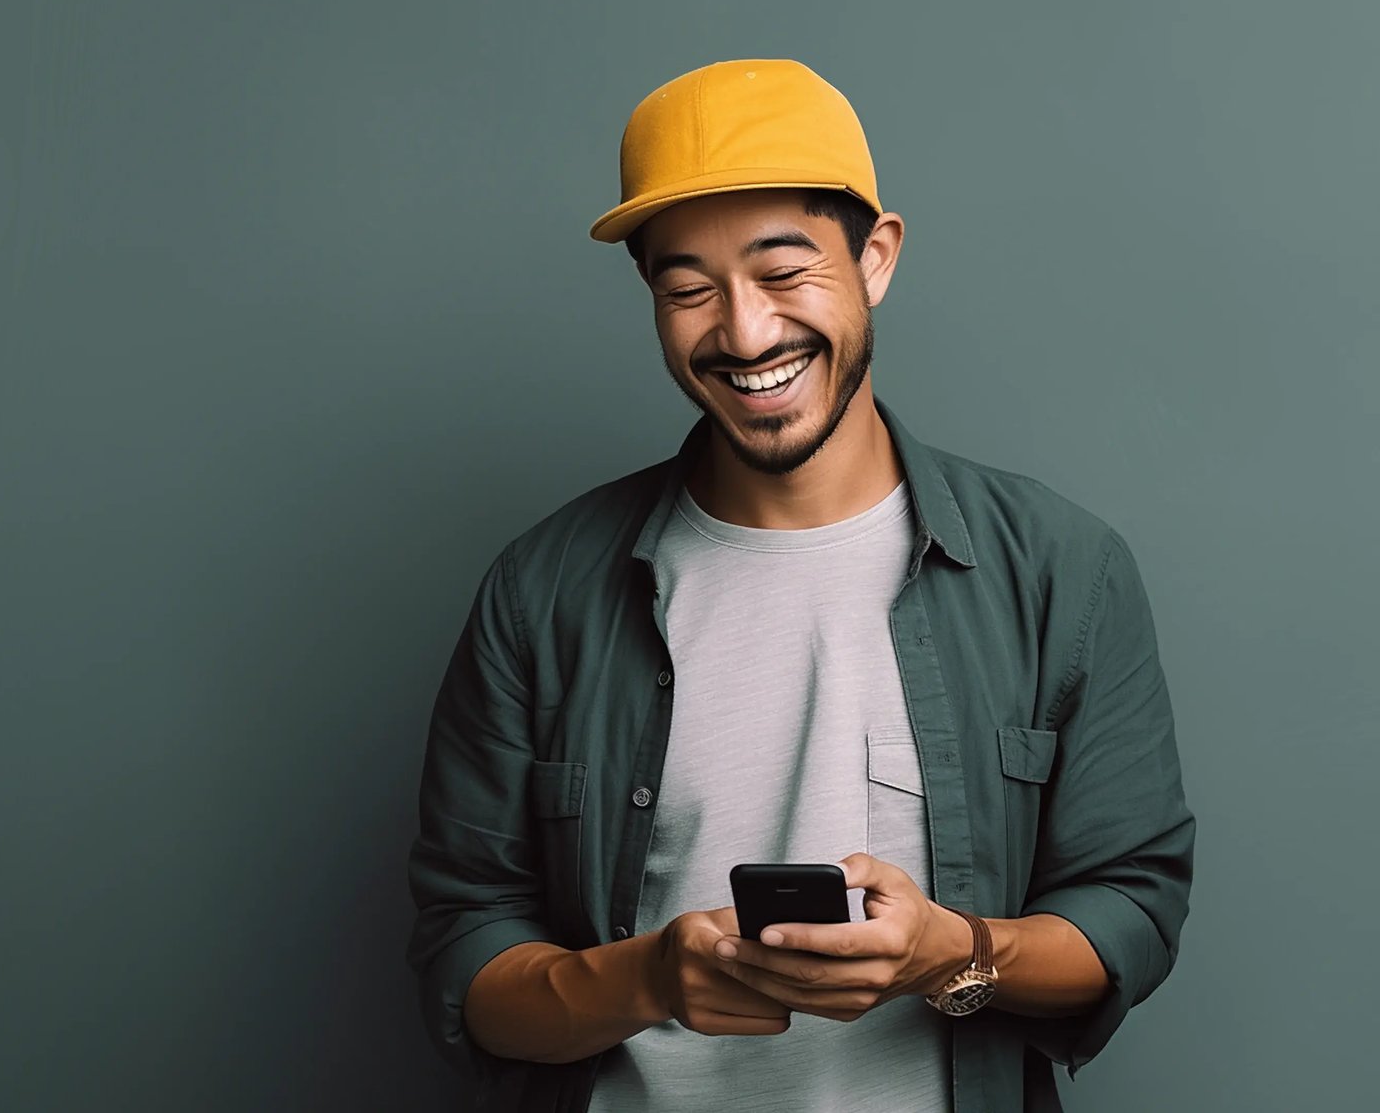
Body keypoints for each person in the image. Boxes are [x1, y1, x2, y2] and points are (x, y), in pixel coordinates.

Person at [402, 58, 1193, 1113]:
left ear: (875, 258)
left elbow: (1128, 913)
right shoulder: (540, 591)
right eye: (687, 289)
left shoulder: (1059, 569)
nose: (743, 332)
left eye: (782, 273)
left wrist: (944, 955)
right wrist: (643, 977)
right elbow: (467, 954)